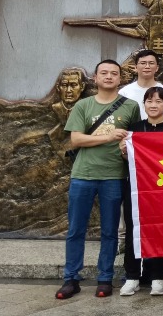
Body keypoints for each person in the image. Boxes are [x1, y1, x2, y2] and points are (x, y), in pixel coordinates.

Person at [56, 59, 140, 300]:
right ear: (95, 78)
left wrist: (124, 149)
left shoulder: (130, 106)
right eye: (104, 73)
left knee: (110, 231)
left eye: (114, 73)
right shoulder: (83, 105)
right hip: (83, 175)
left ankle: (105, 278)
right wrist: (109, 137)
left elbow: (134, 140)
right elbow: (76, 140)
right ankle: (71, 278)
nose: (109, 76)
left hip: (114, 175)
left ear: (120, 78)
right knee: (76, 229)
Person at [119, 87, 163, 297]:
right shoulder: (134, 129)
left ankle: (158, 277)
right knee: (133, 229)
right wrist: (124, 151)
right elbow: (128, 159)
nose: (154, 105)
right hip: (137, 187)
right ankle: (132, 277)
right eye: (150, 101)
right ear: (144, 104)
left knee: (161, 231)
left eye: (159, 101)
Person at [118, 50, 163, 122]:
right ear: (135, 67)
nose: (147, 66)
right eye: (143, 63)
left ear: (157, 68)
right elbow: (120, 120)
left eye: (151, 63)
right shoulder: (124, 92)